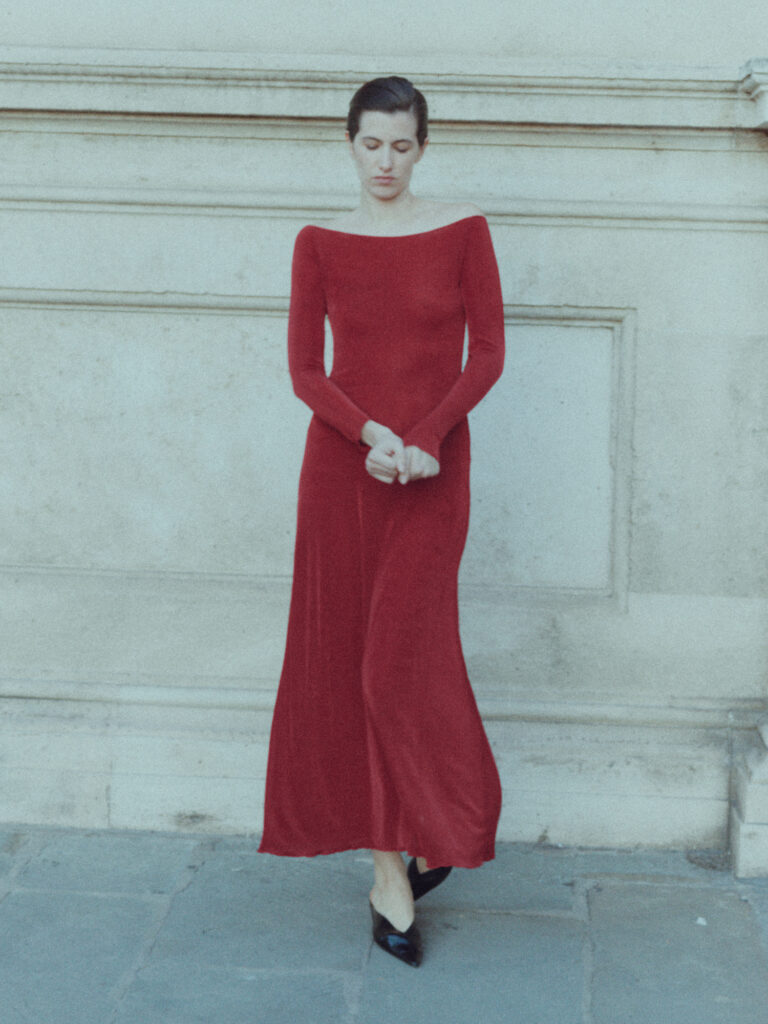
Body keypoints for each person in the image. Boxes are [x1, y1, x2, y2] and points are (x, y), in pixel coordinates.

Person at [258, 75, 504, 968]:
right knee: (347, 666)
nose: (386, 162)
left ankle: (451, 821)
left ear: (422, 147)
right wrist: (370, 435)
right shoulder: (319, 241)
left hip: (434, 473)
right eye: (371, 144)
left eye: (402, 145)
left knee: (401, 663)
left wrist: (426, 438)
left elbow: (488, 354)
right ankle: (387, 867)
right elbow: (304, 370)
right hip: (342, 472)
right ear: (350, 144)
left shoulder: (465, 231)